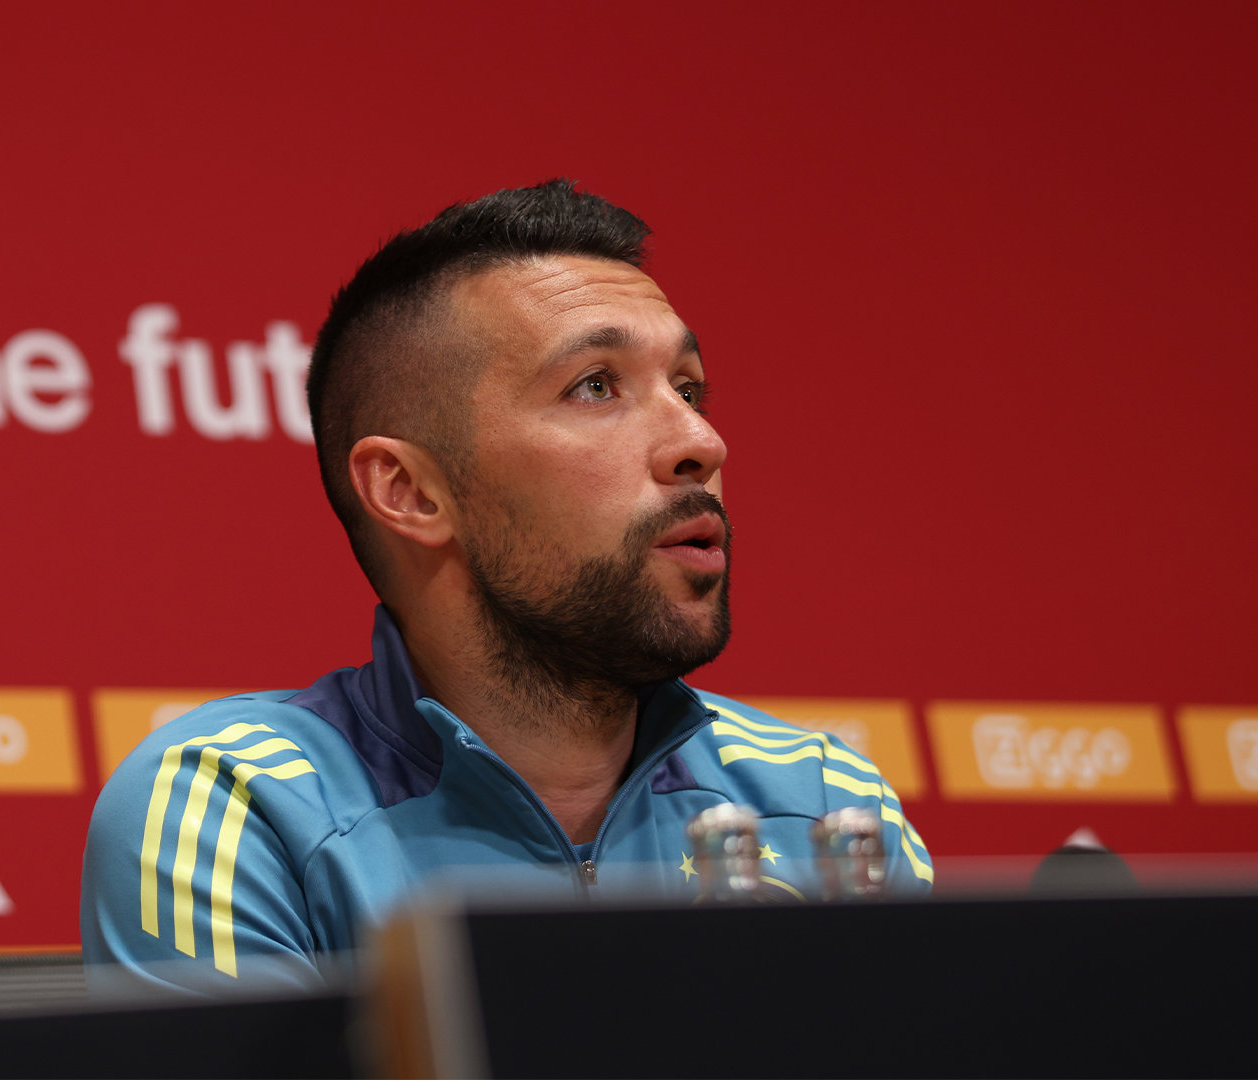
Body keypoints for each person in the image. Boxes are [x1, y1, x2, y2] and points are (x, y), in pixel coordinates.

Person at [80, 180, 931, 991]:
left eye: (689, 387)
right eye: (596, 387)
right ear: (410, 492)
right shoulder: (236, 807)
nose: (701, 441)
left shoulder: (821, 800)